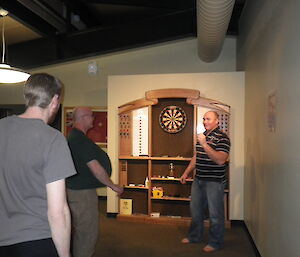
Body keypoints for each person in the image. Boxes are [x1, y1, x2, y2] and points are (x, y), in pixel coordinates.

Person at [0, 73, 77, 257]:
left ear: (27, 97)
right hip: (36, 239)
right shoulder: (53, 139)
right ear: (55, 101)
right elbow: (57, 212)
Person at [66, 107, 123, 257]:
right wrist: (113, 185)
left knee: (81, 230)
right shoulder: (78, 139)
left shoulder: (76, 137)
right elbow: (95, 168)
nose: (93, 119)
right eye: (91, 116)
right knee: (87, 232)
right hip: (82, 195)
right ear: (84, 118)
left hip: (79, 191)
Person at [180, 111, 230, 252]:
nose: (205, 121)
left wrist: (204, 143)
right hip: (199, 180)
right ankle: (194, 236)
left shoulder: (223, 138)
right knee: (195, 211)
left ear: (217, 121)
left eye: (208, 119)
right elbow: (197, 157)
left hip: (214, 182)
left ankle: (215, 243)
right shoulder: (204, 136)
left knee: (215, 214)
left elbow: (221, 160)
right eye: (204, 119)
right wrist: (186, 172)